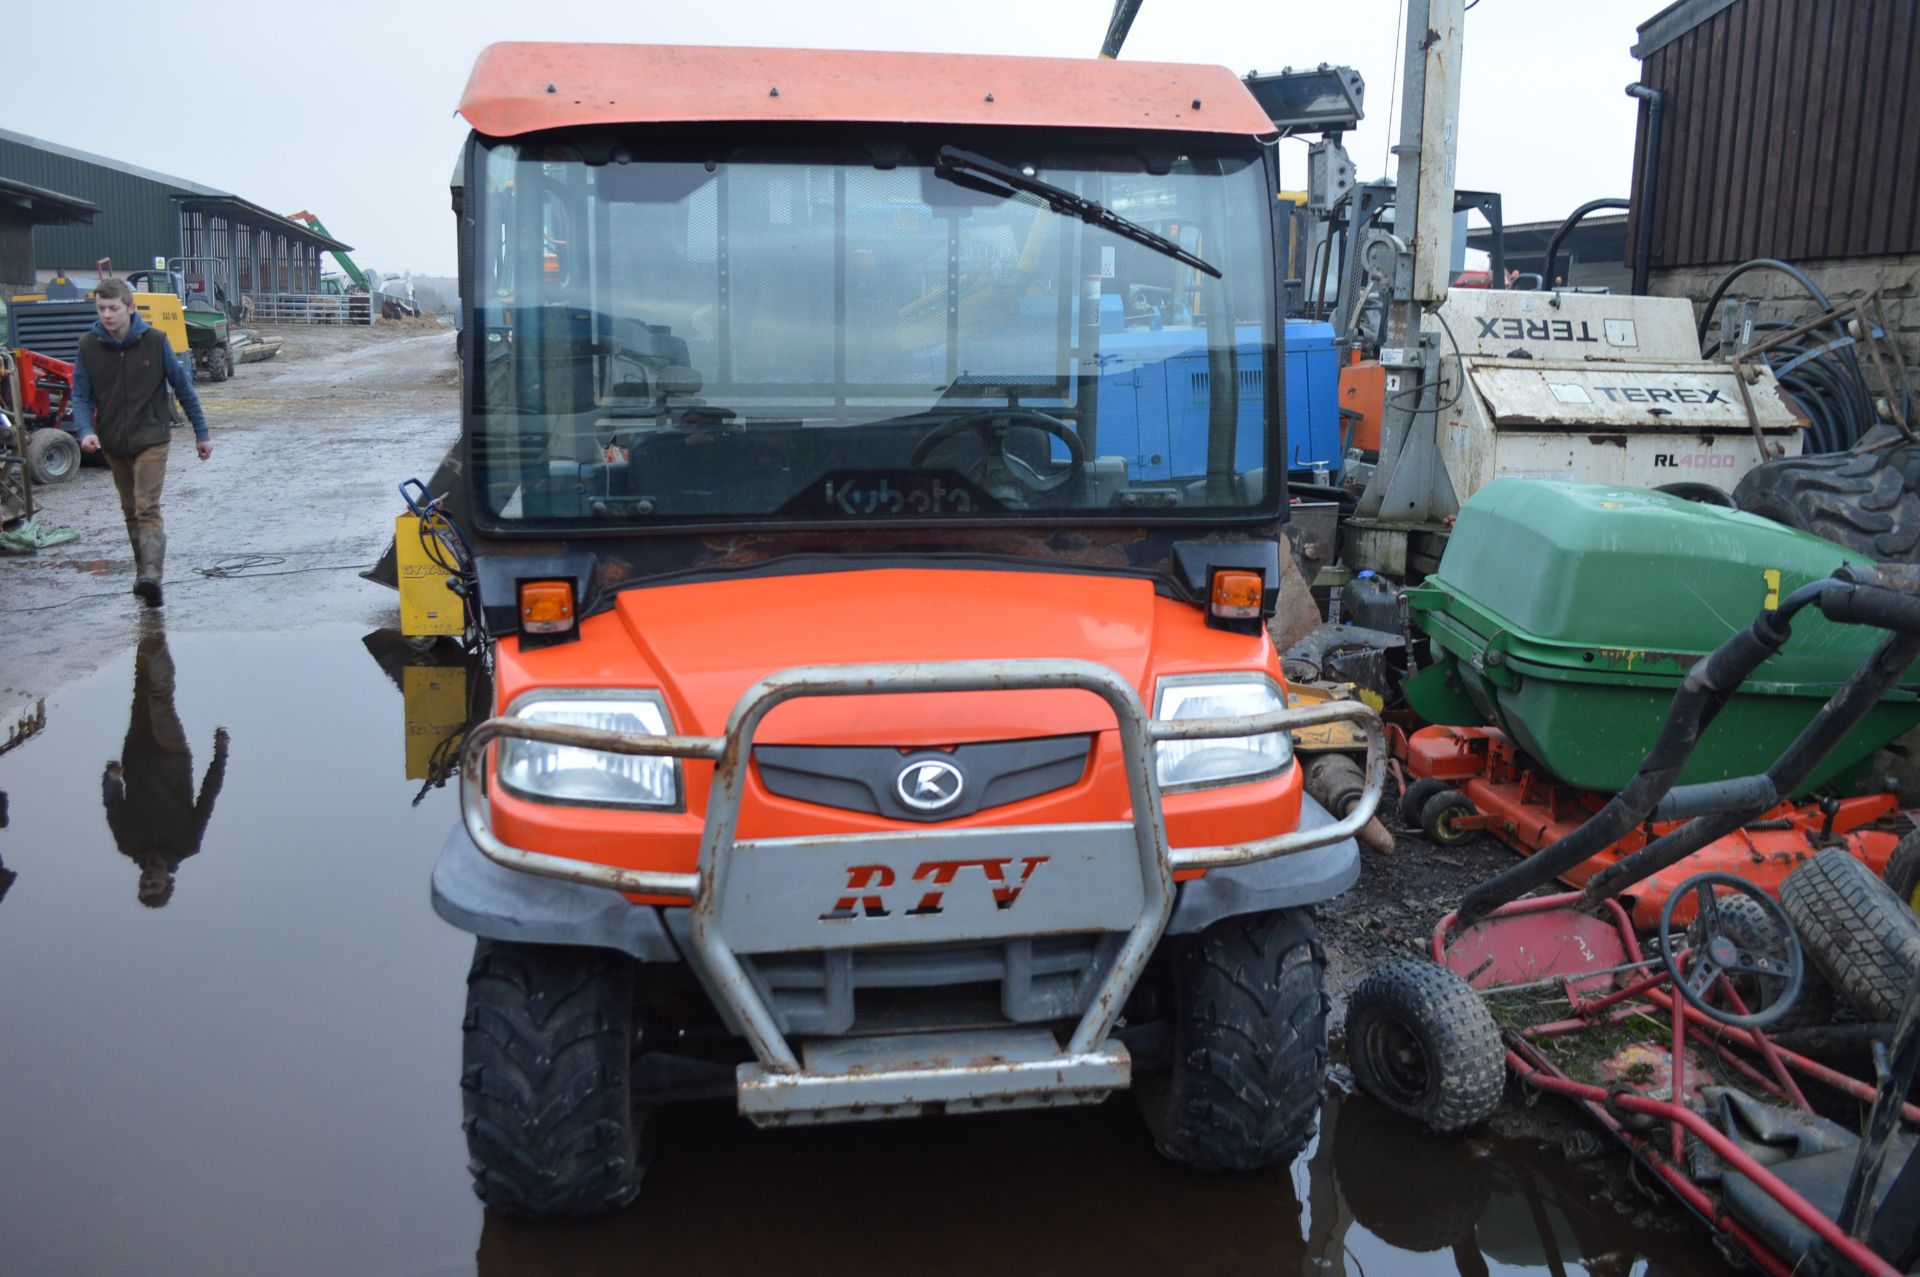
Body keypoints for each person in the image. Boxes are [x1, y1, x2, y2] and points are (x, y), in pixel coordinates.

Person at [68, 277, 214, 607]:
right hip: (113, 441)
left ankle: (151, 574)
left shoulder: (155, 341)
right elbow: (80, 395)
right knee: (130, 510)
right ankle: (142, 573)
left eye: (114, 308)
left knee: (147, 505)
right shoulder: (89, 346)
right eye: (102, 308)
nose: (107, 315)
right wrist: (84, 431)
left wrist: (201, 433)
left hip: (152, 437)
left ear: (130, 309)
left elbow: (183, 389)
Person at [101, 627, 229, 907]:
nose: (148, 879)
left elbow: (113, 805)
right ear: (169, 881)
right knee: (160, 697)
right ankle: (154, 632)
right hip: (172, 756)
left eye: (144, 884)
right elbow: (209, 795)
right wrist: (220, 753)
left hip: (135, 755)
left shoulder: (128, 844)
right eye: (154, 884)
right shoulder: (187, 844)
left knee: (142, 686)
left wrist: (111, 779)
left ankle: (147, 636)